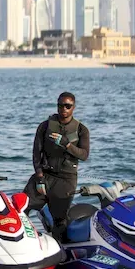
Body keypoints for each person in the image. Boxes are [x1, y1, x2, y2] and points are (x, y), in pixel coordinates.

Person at [23, 91, 90, 239]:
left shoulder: (81, 130)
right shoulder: (44, 126)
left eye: (68, 106)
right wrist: (39, 178)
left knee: (60, 220)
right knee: (21, 208)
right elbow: (36, 154)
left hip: (66, 180)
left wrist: (67, 145)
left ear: (73, 107)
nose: (63, 109)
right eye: (60, 105)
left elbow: (84, 155)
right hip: (45, 175)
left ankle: (60, 251)